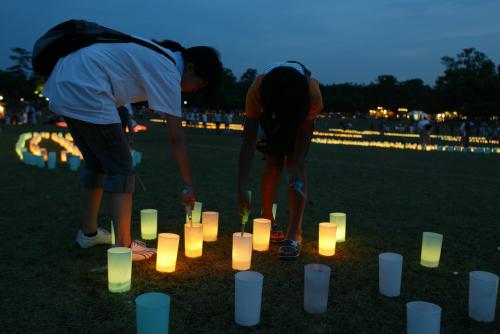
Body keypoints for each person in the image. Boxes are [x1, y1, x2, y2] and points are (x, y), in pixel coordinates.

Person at [42, 38, 222, 261]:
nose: (195, 90)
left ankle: (89, 234)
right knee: (122, 169)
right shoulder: (169, 71)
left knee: (97, 164)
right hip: (87, 87)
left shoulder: (161, 57)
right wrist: (188, 184)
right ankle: (124, 248)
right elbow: (176, 137)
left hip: (67, 81)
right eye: (200, 83)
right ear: (192, 67)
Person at [237, 61, 323, 259]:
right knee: (273, 165)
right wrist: (241, 188)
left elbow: (303, 136)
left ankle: (294, 234)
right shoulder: (257, 91)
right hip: (271, 118)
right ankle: (267, 218)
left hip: (297, 116)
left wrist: (296, 165)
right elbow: (248, 142)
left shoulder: (312, 95)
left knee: (295, 166)